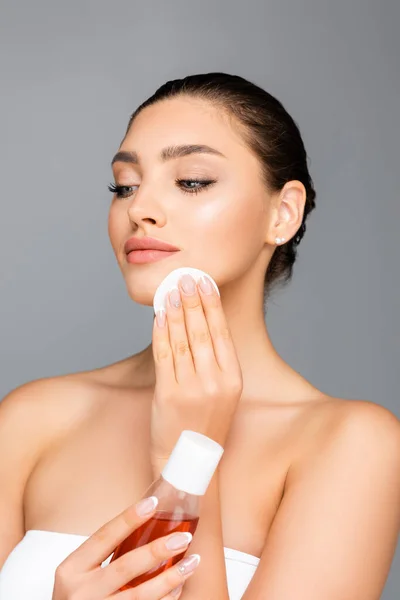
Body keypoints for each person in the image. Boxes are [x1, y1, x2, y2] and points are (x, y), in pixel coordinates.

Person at [0, 72, 399, 600]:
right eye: (125, 185)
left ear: (282, 213)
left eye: (191, 181)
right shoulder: (34, 417)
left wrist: (190, 461)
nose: (139, 209)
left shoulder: (350, 445)